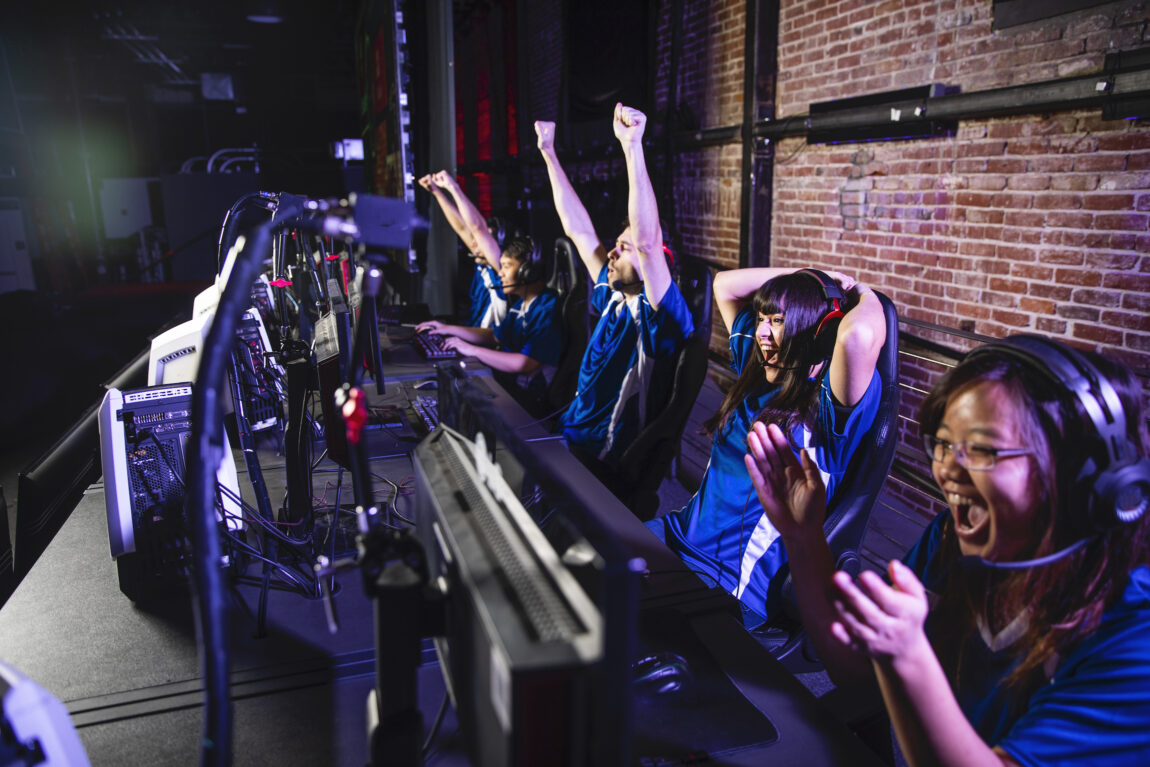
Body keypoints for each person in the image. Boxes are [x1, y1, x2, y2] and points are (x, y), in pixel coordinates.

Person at [745, 336, 1150, 766]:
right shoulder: (953, 541)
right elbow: (855, 672)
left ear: (1080, 474)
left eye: (981, 450)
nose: (948, 470)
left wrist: (908, 655)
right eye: (942, 444)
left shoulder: (1135, 637)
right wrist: (802, 535)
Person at [646, 266, 886, 628]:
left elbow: (858, 336)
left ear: (820, 334)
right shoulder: (759, 365)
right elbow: (725, 285)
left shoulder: (828, 410)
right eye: (761, 319)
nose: (761, 332)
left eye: (777, 321)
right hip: (675, 534)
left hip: (728, 585)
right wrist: (817, 277)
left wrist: (861, 292)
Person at [535, 105, 694, 476]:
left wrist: (631, 145)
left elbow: (648, 243)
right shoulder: (614, 298)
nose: (611, 252)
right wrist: (548, 152)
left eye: (624, 248)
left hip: (597, 460)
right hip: (567, 436)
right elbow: (579, 230)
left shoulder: (661, 316)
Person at [415, 234, 562, 402]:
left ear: (527, 272)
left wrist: (472, 350)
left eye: (507, 266)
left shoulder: (546, 309)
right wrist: (447, 329)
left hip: (528, 398)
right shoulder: (523, 304)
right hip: (509, 384)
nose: (501, 273)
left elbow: (525, 363)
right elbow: (494, 336)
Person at [418, 172, 508, 328]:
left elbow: (478, 228)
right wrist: (436, 191)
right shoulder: (485, 266)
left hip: (488, 342)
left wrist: (453, 187)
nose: (473, 244)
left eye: (481, 241)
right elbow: (462, 228)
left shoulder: (501, 271)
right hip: (473, 334)